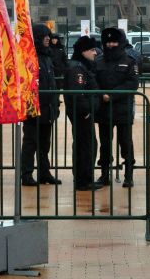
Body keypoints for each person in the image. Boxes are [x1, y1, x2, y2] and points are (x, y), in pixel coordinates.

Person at [94, 27, 139, 188]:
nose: (111, 45)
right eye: (108, 42)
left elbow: (132, 83)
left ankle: (128, 175)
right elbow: (93, 82)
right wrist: (101, 94)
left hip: (122, 109)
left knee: (125, 143)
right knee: (105, 144)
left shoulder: (129, 61)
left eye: (114, 42)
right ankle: (104, 174)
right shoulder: (98, 61)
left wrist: (111, 95)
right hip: (104, 110)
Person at [20, 24, 62, 186]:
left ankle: (45, 173)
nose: (48, 38)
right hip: (33, 108)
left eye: (48, 35)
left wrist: (55, 105)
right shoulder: (29, 57)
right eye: (44, 35)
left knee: (45, 143)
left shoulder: (47, 57)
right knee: (31, 142)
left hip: (47, 109)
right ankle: (27, 174)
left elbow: (51, 83)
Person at [65, 36, 103, 191]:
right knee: (85, 146)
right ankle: (83, 180)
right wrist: (86, 110)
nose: (95, 53)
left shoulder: (82, 66)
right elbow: (77, 93)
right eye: (92, 49)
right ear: (83, 51)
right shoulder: (77, 68)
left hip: (84, 113)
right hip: (82, 115)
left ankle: (85, 178)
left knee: (88, 145)